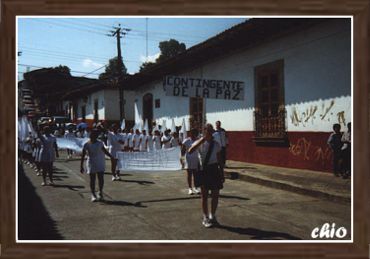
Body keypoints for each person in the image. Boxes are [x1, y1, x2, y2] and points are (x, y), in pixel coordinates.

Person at [189, 124, 224, 228]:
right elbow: (190, 151)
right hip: (203, 169)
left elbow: (219, 159)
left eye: (210, 130)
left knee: (215, 194)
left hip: (214, 169)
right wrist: (203, 140)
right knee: (204, 196)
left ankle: (212, 215)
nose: (209, 132)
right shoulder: (200, 142)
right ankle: (205, 217)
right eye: (206, 130)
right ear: (203, 131)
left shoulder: (216, 144)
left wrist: (222, 172)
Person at [80, 129, 115, 202]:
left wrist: (111, 156)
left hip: (100, 162)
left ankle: (100, 192)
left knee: (101, 178)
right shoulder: (87, 144)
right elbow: (83, 155)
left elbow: (104, 151)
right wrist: (81, 166)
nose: (94, 136)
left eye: (95, 135)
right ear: (91, 135)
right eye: (93, 135)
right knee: (92, 179)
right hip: (91, 162)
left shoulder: (100, 143)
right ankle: (93, 194)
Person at [182, 128, 201, 195]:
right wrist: (182, 159)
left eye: (196, 133)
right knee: (189, 174)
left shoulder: (198, 141)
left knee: (196, 174)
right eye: (193, 133)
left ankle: (196, 187)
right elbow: (183, 151)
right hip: (188, 159)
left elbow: (200, 151)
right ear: (191, 133)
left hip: (195, 159)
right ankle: (190, 188)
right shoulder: (186, 141)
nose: (194, 134)